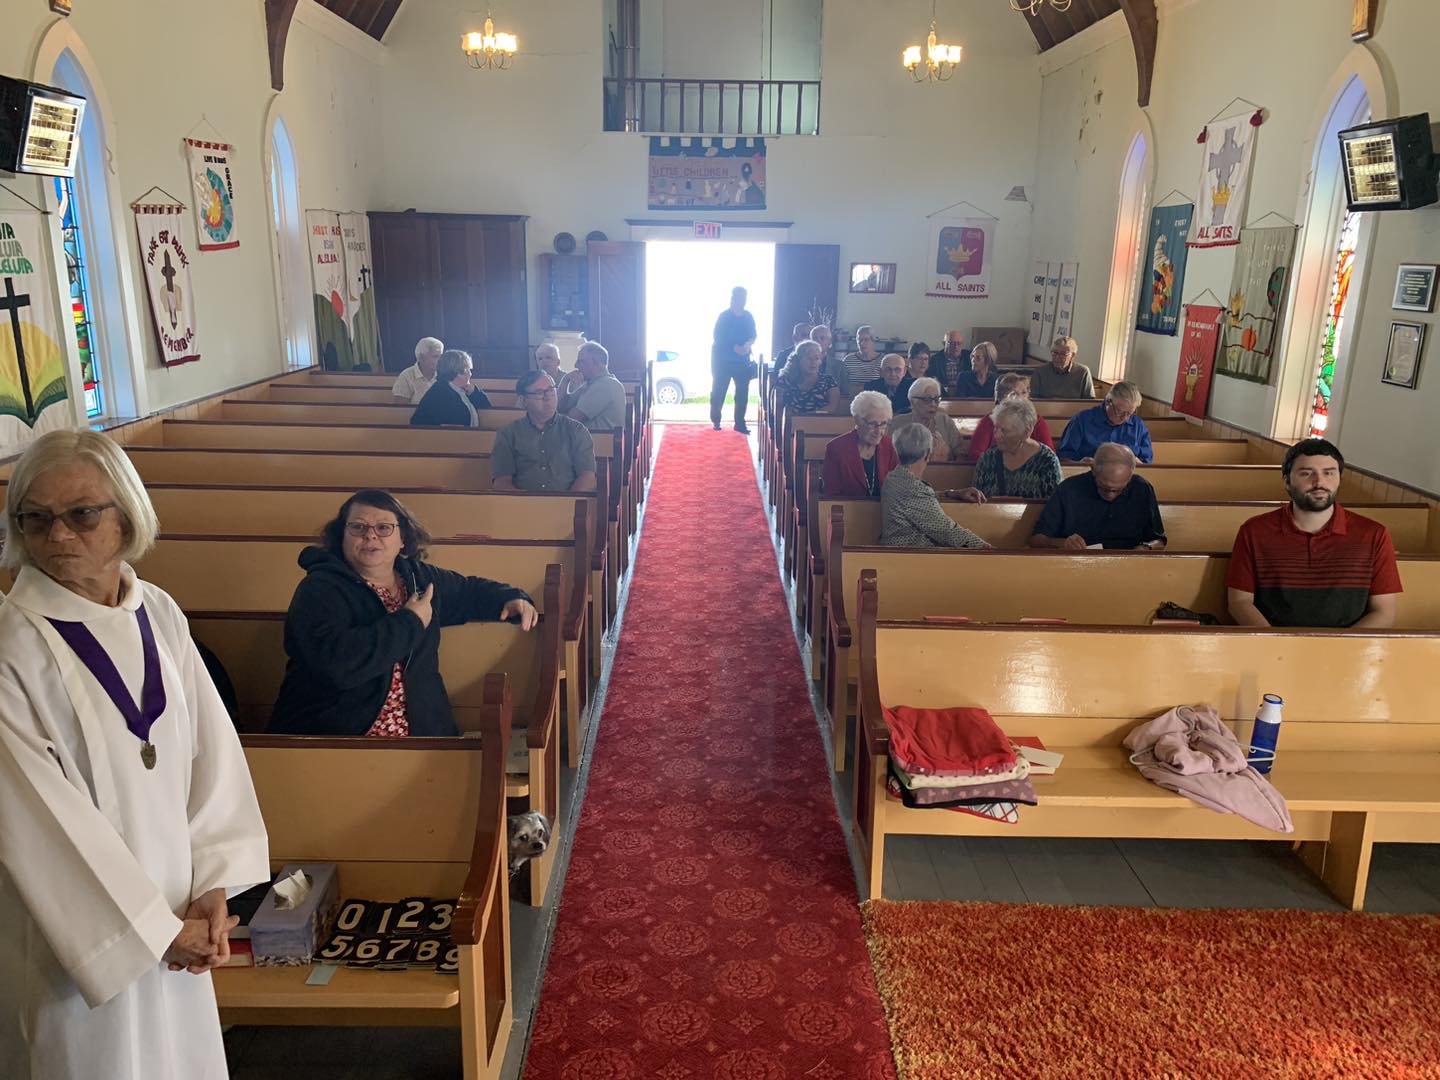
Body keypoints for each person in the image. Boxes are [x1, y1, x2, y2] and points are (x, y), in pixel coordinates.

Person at [0, 430, 269, 1079]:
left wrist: (210, 888)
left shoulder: (160, 613)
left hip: (182, 914)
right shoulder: (14, 644)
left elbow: (211, 756)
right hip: (81, 942)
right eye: (36, 519)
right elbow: (37, 821)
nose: (59, 536)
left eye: (82, 514)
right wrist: (154, 931)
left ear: (127, 513)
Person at [269, 490, 537, 737]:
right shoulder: (319, 589)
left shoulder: (418, 578)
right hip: (336, 738)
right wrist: (410, 622)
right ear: (342, 537)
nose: (370, 536)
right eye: (357, 527)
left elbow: (469, 590)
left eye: (384, 528)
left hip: (422, 734)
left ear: (403, 540)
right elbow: (338, 666)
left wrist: (513, 597)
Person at [1227, 439, 1401, 628]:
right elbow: (1240, 603)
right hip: (1274, 648)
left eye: (1329, 473)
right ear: (1287, 481)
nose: (1319, 482)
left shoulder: (1374, 534)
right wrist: (1275, 645)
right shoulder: (1254, 531)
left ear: (1340, 479)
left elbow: (1384, 611)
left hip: (1347, 650)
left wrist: (1340, 651)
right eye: (1306, 473)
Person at [1029, 443, 1165, 550]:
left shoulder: (1142, 489)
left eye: (1118, 490)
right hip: (1078, 564)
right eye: (1104, 487)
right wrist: (1064, 543)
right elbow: (1036, 539)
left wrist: (1146, 548)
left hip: (1129, 565)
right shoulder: (1069, 489)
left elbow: (1159, 540)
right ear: (1093, 470)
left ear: (1130, 477)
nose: (1111, 494)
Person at [879, 424, 990, 549]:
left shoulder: (893, 477)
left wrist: (951, 493)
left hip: (899, 553)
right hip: (910, 559)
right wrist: (987, 549)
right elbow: (947, 532)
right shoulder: (914, 489)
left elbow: (914, 501)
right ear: (927, 454)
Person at [492, 371, 598, 492]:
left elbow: (588, 478)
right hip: (522, 506)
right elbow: (502, 483)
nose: (547, 397)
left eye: (551, 390)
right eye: (539, 393)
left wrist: (565, 504)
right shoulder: (508, 434)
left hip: (567, 506)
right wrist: (528, 505)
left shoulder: (576, 430)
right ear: (523, 400)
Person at [973, 398, 1064, 501]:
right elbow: (977, 503)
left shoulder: (1047, 461)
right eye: (996, 428)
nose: (997, 435)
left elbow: (1056, 506)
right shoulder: (987, 459)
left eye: (1004, 430)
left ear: (1027, 432)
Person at [822, 390, 899, 497]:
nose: (878, 431)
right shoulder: (836, 448)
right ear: (857, 420)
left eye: (883, 424)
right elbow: (831, 494)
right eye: (873, 424)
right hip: (849, 511)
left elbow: (898, 489)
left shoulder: (890, 446)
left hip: (884, 511)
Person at [1057, 381, 1153, 463]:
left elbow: (1147, 461)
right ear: (1108, 402)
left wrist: (1138, 464)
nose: (1125, 418)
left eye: (1130, 413)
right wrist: (1080, 464)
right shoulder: (1082, 420)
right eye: (1120, 412)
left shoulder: (1137, 425)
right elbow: (1063, 458)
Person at [966, 372, 1056, 460]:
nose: (1023, 398)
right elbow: (975, 454)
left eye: (1025, 392)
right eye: (1016, 394)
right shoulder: (990, 421)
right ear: (1004, 397)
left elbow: (1049, 455)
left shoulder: (1037, 421)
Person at [710, 285, 756, 433]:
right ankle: (716, 420)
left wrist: (748, 344)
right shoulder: (724, 316)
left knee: (742, 392)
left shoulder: (748, 316)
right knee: (719, 391)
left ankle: (740, 423)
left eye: (744, 298)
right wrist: (734, 347)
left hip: (742, 361)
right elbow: (718, 337)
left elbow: (753, 334)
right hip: (723, 361)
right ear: (733, 298)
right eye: (739, 298)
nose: (742, 301)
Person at [410, 349, 494, 427]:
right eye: (469, 370)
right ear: (459, 372)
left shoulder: (460, 389)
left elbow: (487, 410)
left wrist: (475, 392)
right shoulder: (441, 394)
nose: (471, 374)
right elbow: (454, 428)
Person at [890, 377, 964, 463]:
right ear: (912, 401)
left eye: (936, 399)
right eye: (927, 399)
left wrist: (947, 455)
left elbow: (961, 456)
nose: (933, 404)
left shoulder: (944, 421)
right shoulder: (897, 424)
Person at [558, 341, 627, 432]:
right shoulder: (591, 383)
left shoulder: (605, 385)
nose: (575, 365)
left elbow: (573, 419)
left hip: (600, 442)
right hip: (589, 440)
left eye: (580, 361)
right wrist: (565, 380)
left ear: (596, 363)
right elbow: (561, 406)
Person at [777, 340, 841, 416]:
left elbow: (832, 408)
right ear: (799, 360)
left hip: (821, 423)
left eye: (816, 358)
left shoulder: (828, 381)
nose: (813, 362)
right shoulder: (785, 380)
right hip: (790, 425)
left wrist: (806, 417)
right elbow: (778, 408)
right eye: (809, 358)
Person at [1030, 336, 1096, 399]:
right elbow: (1033, 398)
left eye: (1063, 354)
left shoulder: (1083, 372)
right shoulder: (1040, 371)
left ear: (1073, 355)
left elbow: (1089, 400)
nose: (1057, 357)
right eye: (1055, 353)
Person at [392, 336, 443, 403]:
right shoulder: (406, 376)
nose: (440, 360)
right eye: (435, 356)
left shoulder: (444, 374)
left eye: (441, 356)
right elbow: (400, 408)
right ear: (421, 357)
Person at [842, 325, 882, 392]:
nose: (862, 343)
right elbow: (842, 384)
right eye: (859, 340)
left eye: (866, 340)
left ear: (873, 341)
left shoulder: (882, 360)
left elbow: (885, 385)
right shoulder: (848, 360)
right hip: (852, 398)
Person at [935, 330, 971, 395]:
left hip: (964, 396)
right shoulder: (934, 360)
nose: (956, 347)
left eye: (959, 343)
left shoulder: (969, 358)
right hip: (942, 396)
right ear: (944, 344)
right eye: (952, 343)